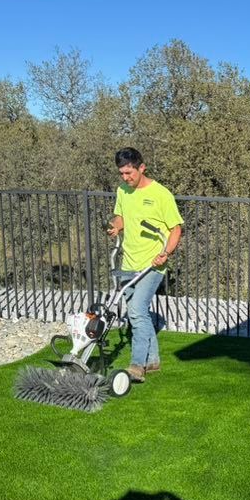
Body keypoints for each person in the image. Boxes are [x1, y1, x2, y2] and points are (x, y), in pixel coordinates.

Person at [107, 147, 183, 382]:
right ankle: (153, 360)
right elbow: (121, 215)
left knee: (137, 311)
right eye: (122, 173)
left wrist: (165, 253)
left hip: (152, 265)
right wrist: (117, 226)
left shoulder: (161, 194)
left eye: (129, 173)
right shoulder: (122, 190)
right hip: (128, 262)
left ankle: (137, 365)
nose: (125, 178)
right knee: (136, 314)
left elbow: (176, 229)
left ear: (142, 168)